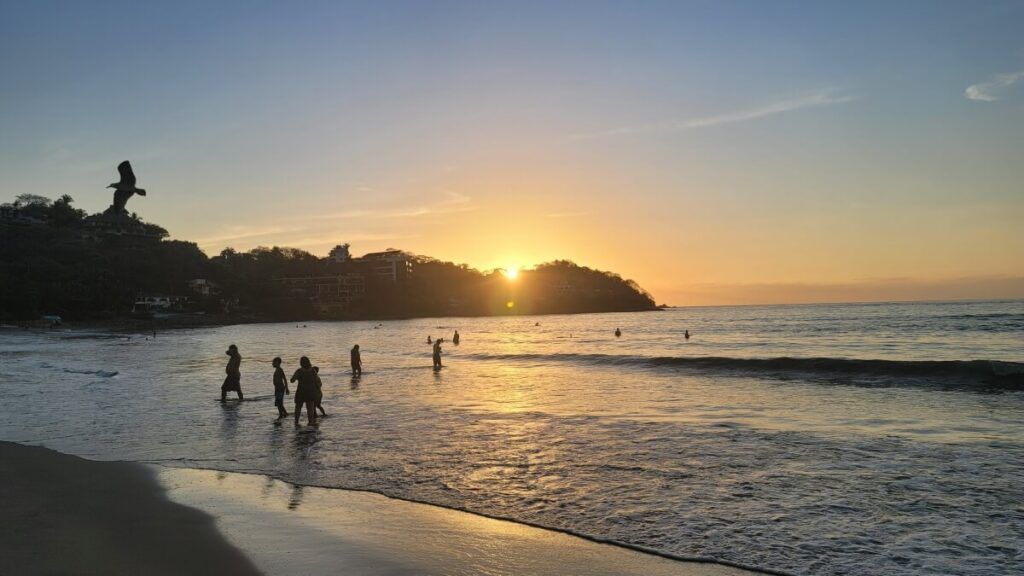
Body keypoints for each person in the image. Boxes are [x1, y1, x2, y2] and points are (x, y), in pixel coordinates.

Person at [290, 357, 320, 425]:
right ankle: (310, 422)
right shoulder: (313, 371)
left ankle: (296, 422)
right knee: (310, 409)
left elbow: (292, 380)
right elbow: (317, 381)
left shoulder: (299, 371)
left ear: (301, 363)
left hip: (301, 391)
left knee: (298, 407)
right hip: (311, 391)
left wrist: (294, 378)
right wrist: (317, 390)